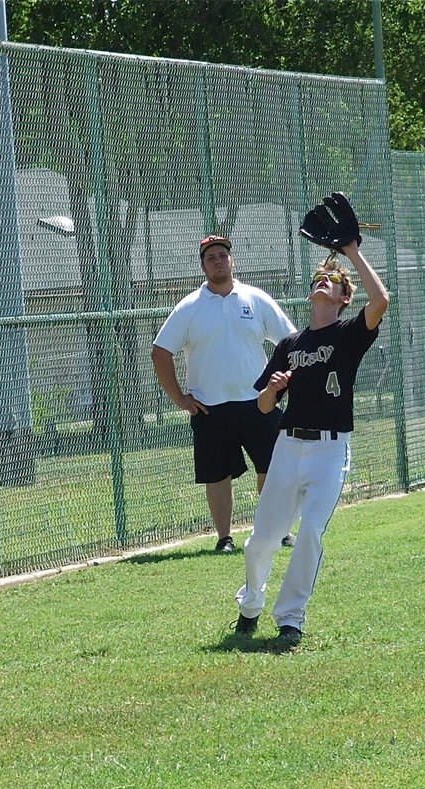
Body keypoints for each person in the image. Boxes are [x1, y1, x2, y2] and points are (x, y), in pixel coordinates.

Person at [233, 237, 390, 648]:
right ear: (311, 292)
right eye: (320, 277)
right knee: (263, 538)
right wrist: (272, 387)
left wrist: (352, 252)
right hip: (288, 446)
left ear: (342, 298)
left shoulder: (348, 335)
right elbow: (264, 406)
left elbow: (380, 302)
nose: (325, 281)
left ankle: (291, 617)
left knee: (311, 533)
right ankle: (250, 604)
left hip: (329, 450)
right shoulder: (290, 344)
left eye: (333, 280)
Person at [151, 235, 296, 553]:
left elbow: (290, 341)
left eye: (222, 255)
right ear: (203, 266)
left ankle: (273, 530)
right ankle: (224, 538)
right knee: (217, 475)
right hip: (209, 406)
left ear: (232, 261)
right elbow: (160, 352)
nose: (218, 261)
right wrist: (180, 398)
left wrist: (281, 381)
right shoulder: (190, 307)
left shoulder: (255, 299)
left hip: (259, 402)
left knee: (272, 467)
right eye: (210, 257)